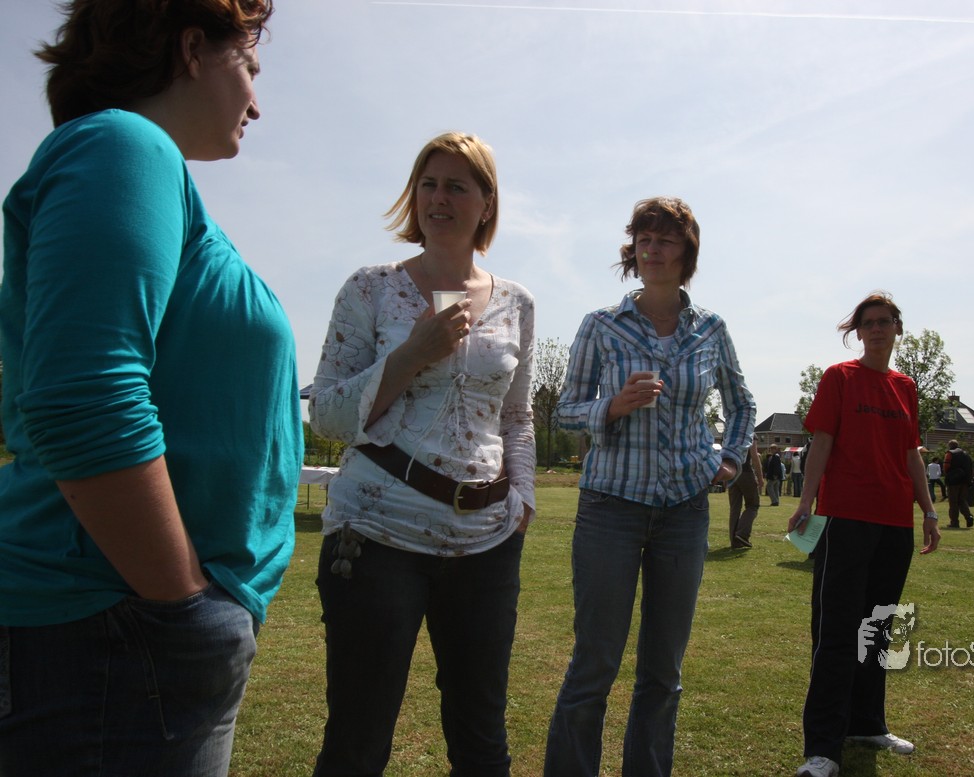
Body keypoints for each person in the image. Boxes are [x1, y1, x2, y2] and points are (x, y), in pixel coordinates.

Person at [0, 3, 300, 776]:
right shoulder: (123, 145)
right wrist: (184, 605)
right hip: (111, 634)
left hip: (125, 633)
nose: (258, 102)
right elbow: (83, 398)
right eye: (250, 67)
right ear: (193, 48)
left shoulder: (140, 165)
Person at [308, 132, 535, 776]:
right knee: (357, 742)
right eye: (428, 184)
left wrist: (523, 498)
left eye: (457, 186)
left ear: (487, 203)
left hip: (487, 540)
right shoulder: (372, 288)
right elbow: (326, 414)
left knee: (482, 742)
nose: (439, 198)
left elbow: (516, 418)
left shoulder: (517, 302)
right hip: (376, 533)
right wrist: (411, 354)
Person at [544, 196, 756, 777]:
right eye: (644, 239)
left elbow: (742, 403)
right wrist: (612, 406)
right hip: (610, 506)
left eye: (665, 239)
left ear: (687, 251)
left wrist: (729, 460)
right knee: (595, 662)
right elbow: (564, 412)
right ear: (632, 251)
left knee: (664, 672)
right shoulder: (602, 325)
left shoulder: (711, 329)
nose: (652, 249)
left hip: (685, 512)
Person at [786, 291, 940, 777]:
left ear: (897, 329)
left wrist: (929, 510)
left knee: (878, 628)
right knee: (836, 633)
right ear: (857, 331)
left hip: (894, 524)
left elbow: (912, 454)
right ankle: (823, 749)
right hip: (845, 520)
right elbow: (822, 441)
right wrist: (806, 501)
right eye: (868, 322)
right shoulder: (840, 377)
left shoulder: (905, 387)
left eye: (884, 321)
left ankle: (867, 724)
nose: (876, 329)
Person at [730, 440, 765, 546]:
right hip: (745, 472)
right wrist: (760, 477)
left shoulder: (729, 433)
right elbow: (754, 456)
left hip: (732, 472)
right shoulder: (750, 434)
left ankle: (734, 540)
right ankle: (742, 534)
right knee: (753, 505)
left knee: (735, 508)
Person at [944, 440, 974, 528]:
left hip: (953, 481)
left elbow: (946, 466)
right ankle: (968, 517)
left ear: (950, 446)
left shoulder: (949, 453)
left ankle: (954, 522)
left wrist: (947, 476)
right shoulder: (966, 454)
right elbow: (971, 468)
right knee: (962, 500)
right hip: (965, 481)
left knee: (953, 502)